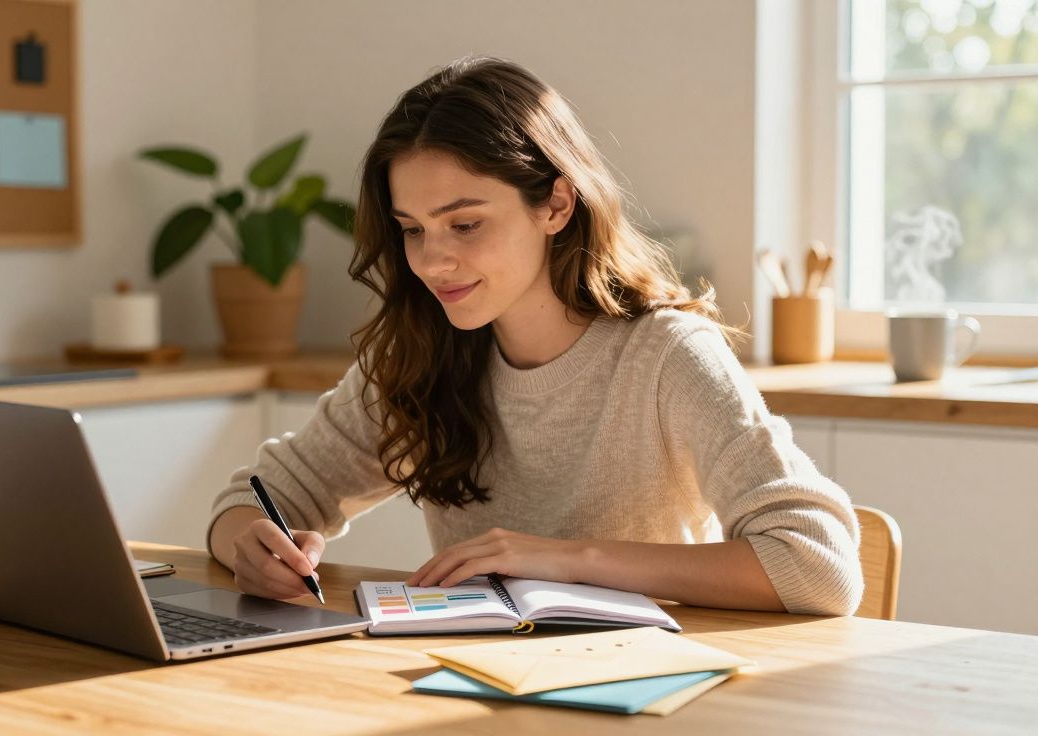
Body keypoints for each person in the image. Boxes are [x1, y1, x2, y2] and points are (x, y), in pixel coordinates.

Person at [206, 56, 862, 616]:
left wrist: (567, 561)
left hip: (646, 692)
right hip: (465, 687)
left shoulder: (666, 357)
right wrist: (252, 546)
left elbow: (817, 565)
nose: (432, 261)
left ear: (555, 204)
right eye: (412, 228)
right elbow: (255, 497)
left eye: (464, 225)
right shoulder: (418, 352)